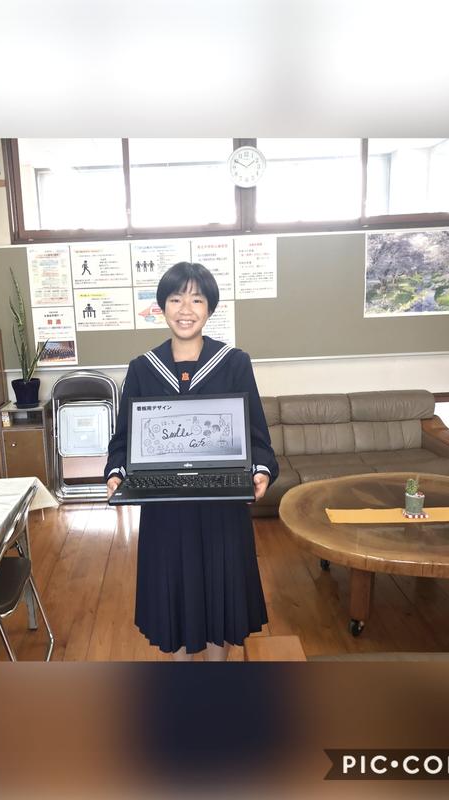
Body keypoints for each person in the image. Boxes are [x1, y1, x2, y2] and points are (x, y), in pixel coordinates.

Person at [105, 261, 278, 661]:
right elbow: (123, 442)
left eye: (197, 299)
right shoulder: (143, 369)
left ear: (210, 308)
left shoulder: (233, 363)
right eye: (175, 299)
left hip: (221, 506)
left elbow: (257, 436)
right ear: (162, 307)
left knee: (221, 590)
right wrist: (116, 473)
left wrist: (261, 471)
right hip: (166, 509)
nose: (186, 309)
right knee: (175, 592)